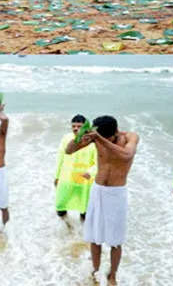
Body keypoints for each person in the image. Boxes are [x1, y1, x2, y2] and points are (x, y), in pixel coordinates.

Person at [65, 116, 139, 286]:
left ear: (115, 132)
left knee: (115, 240)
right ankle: (95, 269)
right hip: (97, 191)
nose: (102, 140)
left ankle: (113, 274)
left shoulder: (130, 137)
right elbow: (69, 151)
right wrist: (79, 138)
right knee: (94, 237)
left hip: (116, 193)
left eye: (106, 138)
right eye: (100, 137)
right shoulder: (95, 137)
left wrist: (99, 139)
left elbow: (127, 155)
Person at [54, 115, 97, 221]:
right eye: (73, 126)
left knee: (84, 210)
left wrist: (91, 172)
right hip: (66, 178)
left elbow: (99, 162)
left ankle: (83, 233)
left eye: (79, 126)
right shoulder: (66, 138)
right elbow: (60, 158)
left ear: (86, 127)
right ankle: (68, 228)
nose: (75, 128)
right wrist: (57, 176)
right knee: (60, 206)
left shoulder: (92, 142)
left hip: (85, 181)